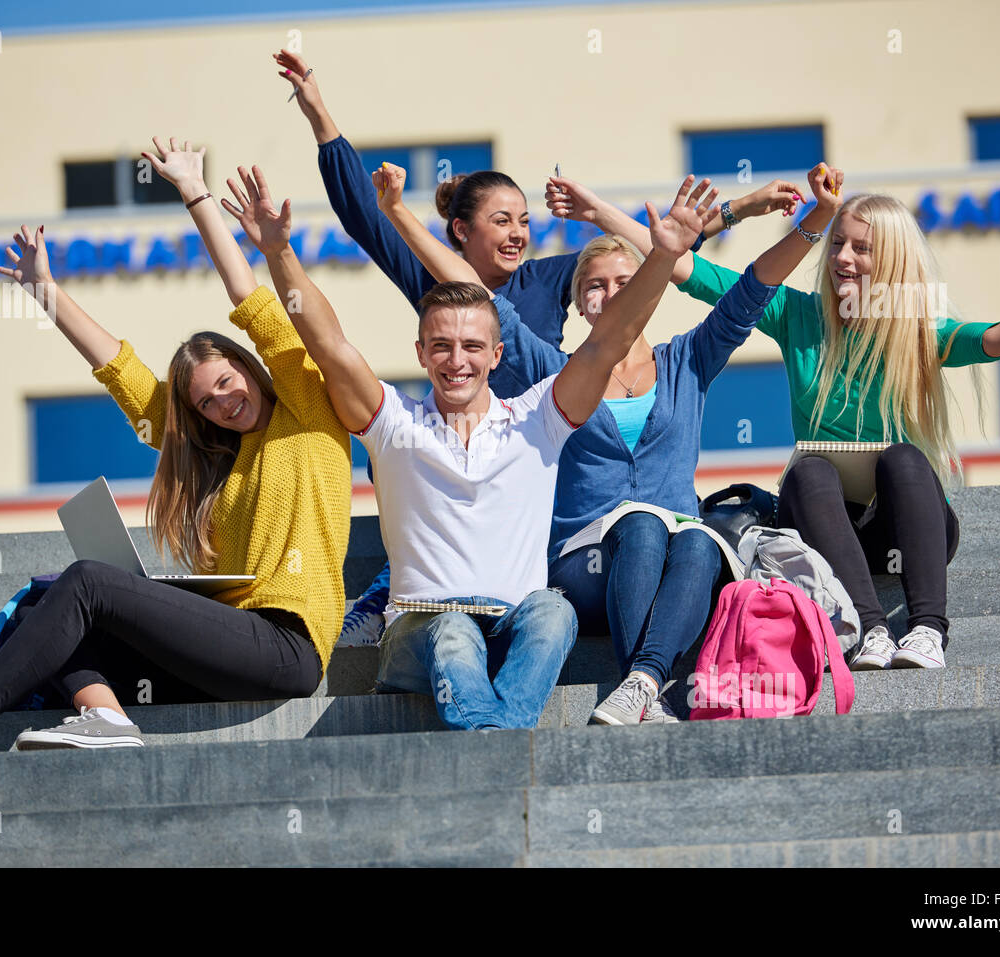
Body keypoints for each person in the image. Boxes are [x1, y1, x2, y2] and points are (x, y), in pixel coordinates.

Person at [0, 139, 352, 759]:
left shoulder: (310, 411)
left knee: (86, 583)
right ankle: (106, 720)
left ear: (249, 366)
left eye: (226, 383)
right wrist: (46, 291)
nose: (222, 404)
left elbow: (254, 304)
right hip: (228, 647)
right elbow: (126, 375)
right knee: (38, 613)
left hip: (286, 646)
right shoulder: (223, 457)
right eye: (205, 403)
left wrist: (195, 194)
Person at [273, 48, 801, 646]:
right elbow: (362, 212)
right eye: (501, 222)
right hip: (453, 458)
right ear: (460, 233)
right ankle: (388, 591)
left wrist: (746, 207)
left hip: (537, 455)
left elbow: (651, 255)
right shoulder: (434, 280)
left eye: (523, 220)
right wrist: (319, 112)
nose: (518, 233)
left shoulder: (552, 278)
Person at [227, 161, 716, 729]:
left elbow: (606, 342)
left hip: (513, 626)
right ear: (420, 353)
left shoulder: (537, 419)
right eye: (441, 346)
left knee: (554, 609)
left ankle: (490, 739)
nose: (456, 361)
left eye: (471, 347)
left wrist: (662, 258)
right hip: (420, 631)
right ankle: (499, 741)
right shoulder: (395, 425)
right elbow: (330, 345)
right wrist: (278, 253)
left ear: (497, 355)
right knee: (455, 628)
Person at [376, 161, 815, 724]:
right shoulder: (556, 376)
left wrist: (814, 222)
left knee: (701, 541)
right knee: (641, 522)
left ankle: (641, 683)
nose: (609, 295)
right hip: (583, 567)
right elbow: (479, 299)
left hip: (675, 570)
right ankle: (644, 680)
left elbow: (753, 291)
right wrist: (397, 215)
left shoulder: (685, 361)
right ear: (580, 305)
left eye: (624, 284)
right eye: (595, 287)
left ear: (649, 290)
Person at [659, 166, 1000, 670]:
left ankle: (928, 630)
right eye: (837, 243)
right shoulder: (795, 314)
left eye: (861, 249)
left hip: (904, 530)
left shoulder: (915, 325)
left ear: (890, 259)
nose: (842, 257)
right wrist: (735, 211)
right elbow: (678, 265)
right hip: (823, 531)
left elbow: (994, 338)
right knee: (809, 469)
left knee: (905, 458)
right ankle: (871, 631)